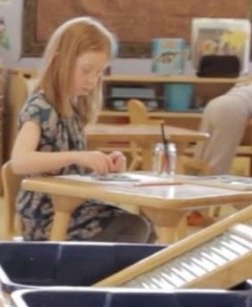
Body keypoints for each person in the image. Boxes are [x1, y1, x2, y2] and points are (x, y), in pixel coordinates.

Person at [9, 16, 156, 242]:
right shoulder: (40, 106)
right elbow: (19, 162)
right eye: (86, 70)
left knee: (146, 226)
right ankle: (88, 277)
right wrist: (77, 156)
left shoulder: (74, 110)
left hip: (74, 205)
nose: (92, 80)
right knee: (133, 228)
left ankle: (107, 276)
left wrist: (105, 167)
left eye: (99, 73)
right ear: (60, 61)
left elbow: (73, 173)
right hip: (47, 214)